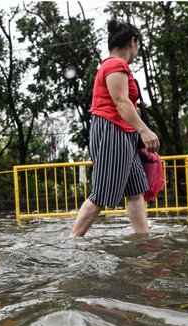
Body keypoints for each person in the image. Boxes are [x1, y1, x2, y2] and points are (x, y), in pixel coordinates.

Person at [70, 20, 159, 238]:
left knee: (136, 191)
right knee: (101, 195)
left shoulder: (115, 66)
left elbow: (126, 104)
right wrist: (144, 131)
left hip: (123, 132)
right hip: (113, 130)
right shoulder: (115, 65)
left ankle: (142, 237)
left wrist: (137, 130)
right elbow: (121, 102)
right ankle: (73, 241)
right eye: (138, 45)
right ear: (132, 42)